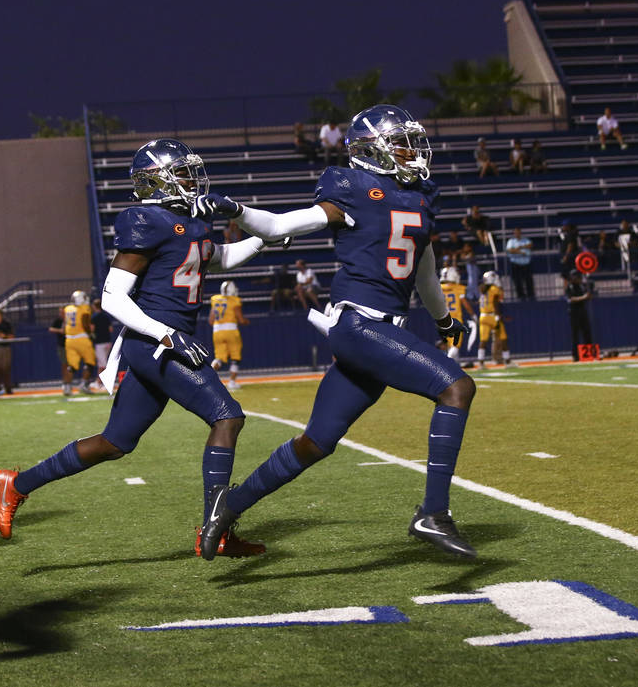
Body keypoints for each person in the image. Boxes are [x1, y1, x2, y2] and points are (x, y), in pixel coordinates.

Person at [193, 104, 477, 561]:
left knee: (315, 442)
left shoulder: (423, 195)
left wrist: (443, 317)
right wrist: (236, 209)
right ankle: (434, 513)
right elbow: (282, 226)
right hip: (359, 325)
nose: (412, 150)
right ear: (372, 151)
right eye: (400, 143)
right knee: (457, 387)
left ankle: (229, 505)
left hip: (378, 332)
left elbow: (423, 266)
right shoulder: (352, 187)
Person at [0, 138, 275, 559]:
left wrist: (267, 238)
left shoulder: (190, 224)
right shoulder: (145, 219)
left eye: (190, 170)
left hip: (165, 341)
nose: (190, 179)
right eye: (181, 171)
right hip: (156, 342)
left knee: (115, 442)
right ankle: (217, 526)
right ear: (154, 180)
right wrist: (167, 335)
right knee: (227, 416)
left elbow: (220, 259)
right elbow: (112, 298)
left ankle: (17, 484)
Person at [209, 281, 248, 390]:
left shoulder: (215, 299)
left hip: (217, 331)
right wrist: (246, 321)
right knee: (235, 358)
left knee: (218, 358)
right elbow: (240, 319)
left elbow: (211, 320)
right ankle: (231, 382)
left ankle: (208, 381)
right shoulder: (234, 301)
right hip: (231, 331)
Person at [439, 267, 477, 366]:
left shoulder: (439, 287)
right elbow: (465, 303)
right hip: (454, 319)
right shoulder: (457, 287)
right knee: (455, 345)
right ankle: (445, 365)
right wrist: (473, 315)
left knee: (450, 345)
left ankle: (455, 366)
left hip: (442, 318)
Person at [475, 270, 512, 368]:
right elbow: (496, 302)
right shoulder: (494, 289)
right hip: (492, 316)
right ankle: (507, 361)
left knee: (483, 340)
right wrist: (497, 315)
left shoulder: (482, 289)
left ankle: (481, 362)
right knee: (503, 338)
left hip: (483, 316)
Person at [62, 290, 96, 395]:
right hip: (82, 338)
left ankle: (67, 387)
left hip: (69, 339)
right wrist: (90, 334)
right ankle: (83, 385)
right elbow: (85, 323)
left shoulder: (67, 309)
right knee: (89, 363)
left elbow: (65, 324)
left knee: (71, 365)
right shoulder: (84, 309)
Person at [565, 271, 594, 361]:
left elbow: (588, 294)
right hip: (574, 312)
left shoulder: (582, 286)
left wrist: (589, 295)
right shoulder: (569, 288)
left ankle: (588, 354)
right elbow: (571, 299)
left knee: (587, 332)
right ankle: (575, 355)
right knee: (575, 334)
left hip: (582, 310)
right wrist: (584, 297)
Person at [504, 227, 535, 300]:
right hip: (515, 264)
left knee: (528, 280)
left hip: (526, 264)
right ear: (514, 233)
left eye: (518, 232)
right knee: (517, 281)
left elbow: (530, 245)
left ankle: (531, 295)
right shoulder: (511, 241)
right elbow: (509, 250)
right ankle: (521, 296)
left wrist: (520, 247)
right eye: (516, 232)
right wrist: (520, 252)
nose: (517, 234)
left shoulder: (525, 240)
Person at [90, 298, 113, 390]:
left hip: (99, 342)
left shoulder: (94, 317)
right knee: (103, 362)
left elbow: (92, 329)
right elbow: (110, 329)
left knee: (102, 364)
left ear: (95, 306)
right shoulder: (106, 316)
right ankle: (99, 382)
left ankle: (103, 383)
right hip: (107, 341)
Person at [49, 305, 67, 389]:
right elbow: (51, 329)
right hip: (62, 345)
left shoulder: (70, 319)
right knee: (64, 364)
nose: (61, 314)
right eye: (60, 312)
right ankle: (65, 381)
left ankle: (69, 381)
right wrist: (59, 331)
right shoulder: (58, 320)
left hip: (71, 344)